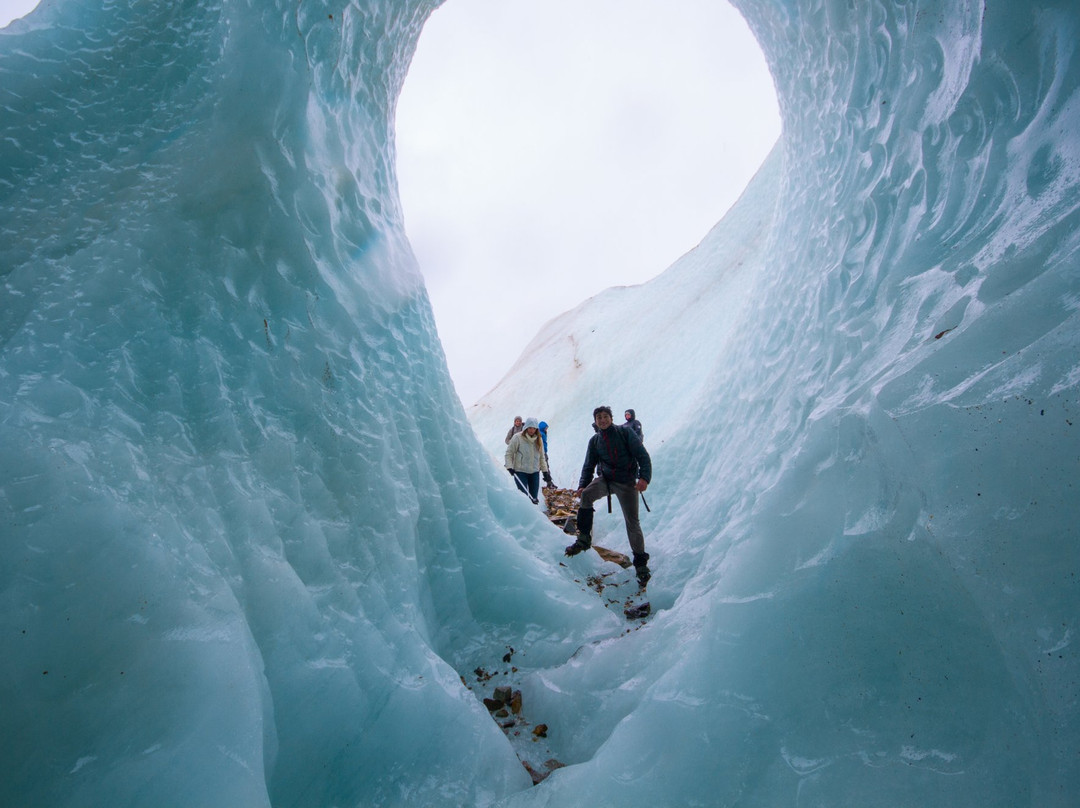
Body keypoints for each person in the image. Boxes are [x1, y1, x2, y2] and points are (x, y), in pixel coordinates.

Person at [566, 406, 653, 585]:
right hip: (606, 479)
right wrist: (583, 485)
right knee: (587, 496)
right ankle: (584, 538)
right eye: (599, 417)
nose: (603, 420)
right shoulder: (595, 441)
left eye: (605, 416)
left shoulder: (625, 433)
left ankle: (641, 564)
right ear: (595, 421)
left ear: (611, 418)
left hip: (626, 482)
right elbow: (588, 465)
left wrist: (644, 478)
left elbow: (642, 455)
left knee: (632, 522)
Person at [505, 418, 550, 504]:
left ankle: (533, 516)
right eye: (530, 428)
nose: (531, 430)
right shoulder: (517, 437)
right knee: (524, 498)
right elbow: (509, 453)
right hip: (520, 472)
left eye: (534, 428)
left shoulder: (538, 439)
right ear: (526, 427)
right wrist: (509, 467)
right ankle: (523, 515)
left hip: (534, 472)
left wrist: (545, 471)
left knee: (534, 498)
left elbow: (541, 457)